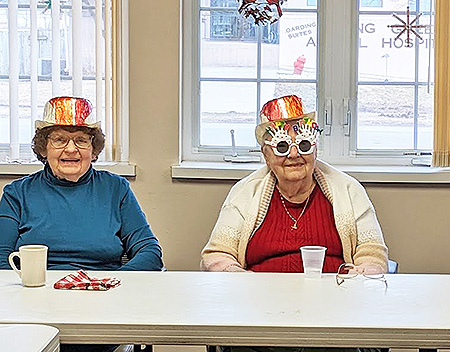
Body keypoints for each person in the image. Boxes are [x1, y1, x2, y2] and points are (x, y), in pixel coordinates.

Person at [0, 96, 164, 352]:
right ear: (43, 148)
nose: (71, 149)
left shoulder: (115, 188)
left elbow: (150, 253)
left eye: (81, 140)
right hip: (34, 312)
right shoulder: (17, 193)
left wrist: (108, 285)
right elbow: (1, 259)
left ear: (94, 149)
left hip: (102, 309)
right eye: (59, 139)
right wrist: (33, 296)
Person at [201, 94, 387, 273]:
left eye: (303, 145)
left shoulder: (348, 190)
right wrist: (239, 278)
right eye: (281, 147)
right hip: (260, 297)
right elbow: (218, 254)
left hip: (333, 297)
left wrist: (363, 273)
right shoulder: (245, 193)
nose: (293, 154)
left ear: (315, 151)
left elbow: (372, 252)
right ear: (266, 155)